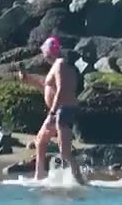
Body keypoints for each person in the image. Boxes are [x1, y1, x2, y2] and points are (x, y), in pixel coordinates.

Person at [16, 37, 86, 185]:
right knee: (41, 141)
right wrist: (27, 78)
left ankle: (81, 182)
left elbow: (61, 89)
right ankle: (39, 176)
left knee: (65, 152)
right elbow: (46, 85)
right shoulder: (57, 65)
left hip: (63, 111)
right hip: (60, 110)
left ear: (48, 52)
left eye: (44, 53)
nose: (43, 56)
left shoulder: (60, 64)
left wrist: (52, 113)